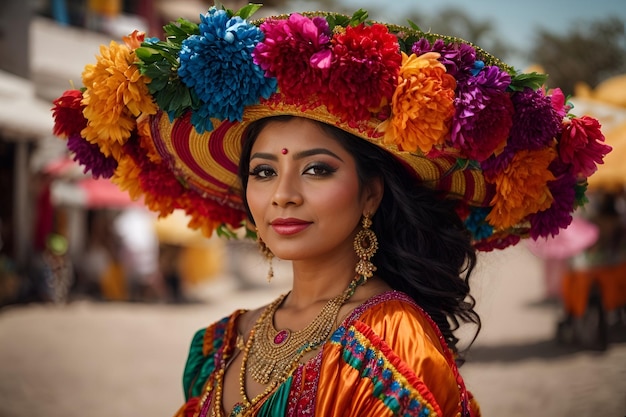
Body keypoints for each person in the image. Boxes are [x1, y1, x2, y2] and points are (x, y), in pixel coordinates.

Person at [50, 5, 611, 416]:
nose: (283, 194)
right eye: (263, 171)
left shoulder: (393, 345)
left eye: (317, 169)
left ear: (371, 193)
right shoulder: (217, 344)